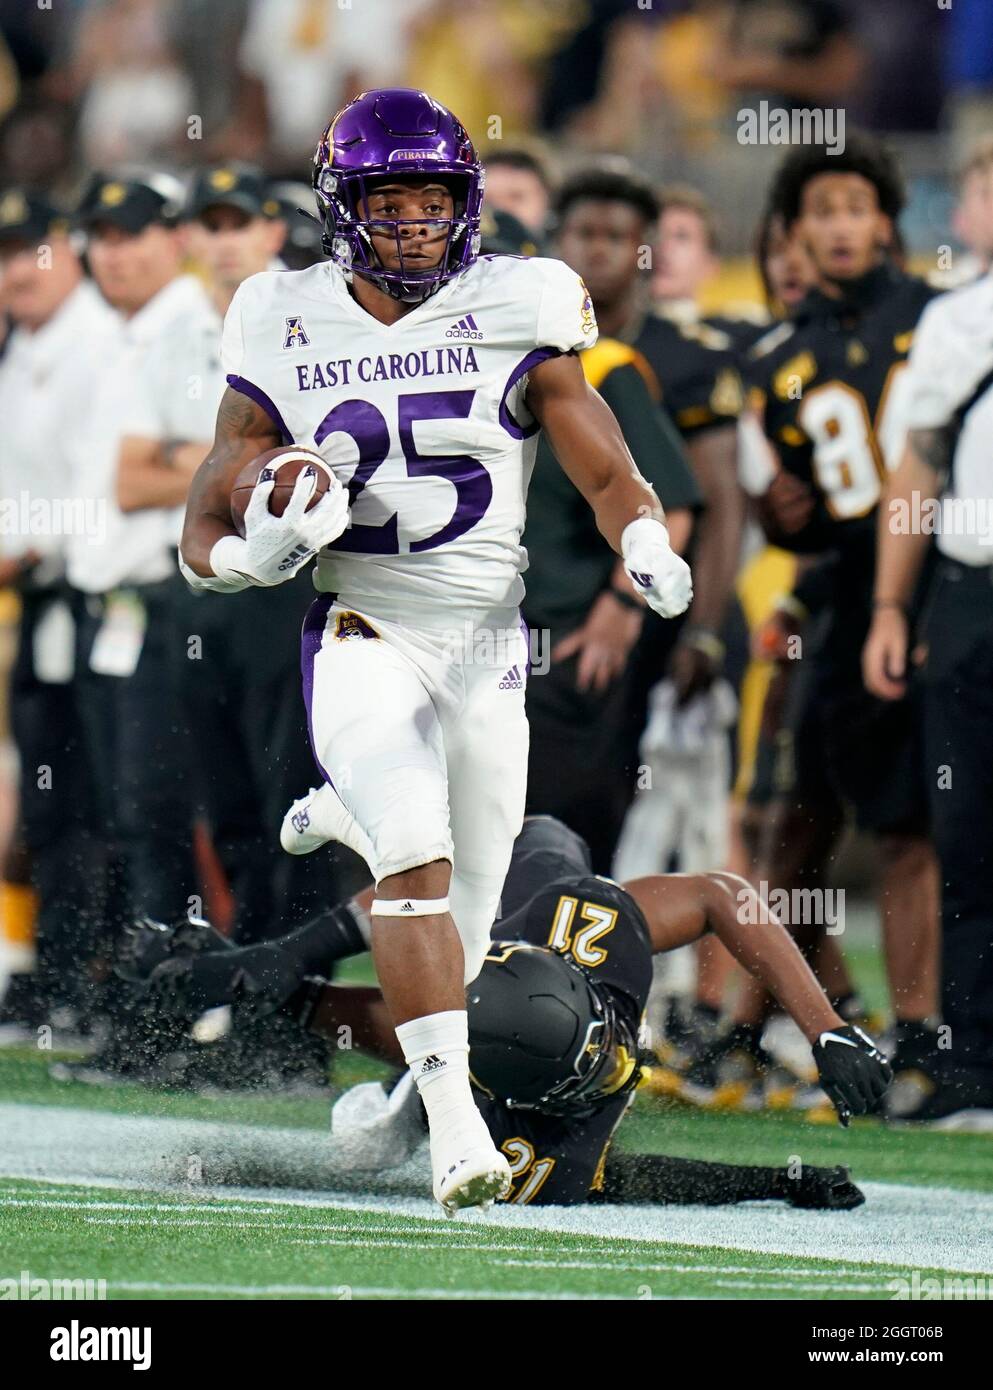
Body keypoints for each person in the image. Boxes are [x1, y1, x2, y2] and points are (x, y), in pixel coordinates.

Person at [179, 88, 693, 1213]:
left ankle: (398, 1104)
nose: (413, 220)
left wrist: (641, 527)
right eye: (389, 199)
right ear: (342, 207)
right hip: (364, 621)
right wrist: (249, 557)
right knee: (416, 858)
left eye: (432, 197)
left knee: (469, 918)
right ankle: (458, 1137)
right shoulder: (279, 311)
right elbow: (201, 515)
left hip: (485, 644)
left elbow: (596, 450)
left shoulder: (525, 296)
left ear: (464, 200)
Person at [120, 812, 890, 1206]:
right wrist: (770, 1181)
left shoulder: (585, 927)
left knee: (526, 844)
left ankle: (263, 963)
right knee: (381, 1121)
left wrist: (828, 1031)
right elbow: (622, 1179)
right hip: (456, 1018)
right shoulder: (501, 1109)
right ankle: (275, 977)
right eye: (594, 1064)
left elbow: (721, 895)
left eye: (601, 1047)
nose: (617, 1062)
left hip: (514, 871)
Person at [702, 136, 943, 1114]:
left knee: (920, 821)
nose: (840, 227)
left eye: (855, 207)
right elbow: (786, 494)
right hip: (845, 591)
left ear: (885, 220)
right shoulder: (781, 356)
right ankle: (790, 1028)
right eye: (820, 211)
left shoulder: (939, 320)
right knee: (818, 814)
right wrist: (778, 514)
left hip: (948, 582)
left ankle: (928, 1029)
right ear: (793, 234)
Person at [65, 174, 211, 1056]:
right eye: (101, 236)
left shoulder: (190, 330)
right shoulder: (117, 335)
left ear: (173, 237)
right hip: (109, 602)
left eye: (132, 234)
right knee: (123, 815)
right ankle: (137, 1004)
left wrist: (151, 464)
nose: (113, 253)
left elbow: (209, 461)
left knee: (156, 815)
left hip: (166, 601)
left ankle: (170, 1011)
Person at [863, 269, 993, 1122]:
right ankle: (973, 1061)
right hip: (971, 591)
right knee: (970, 831)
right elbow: (915, 466)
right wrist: (888, 605)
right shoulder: (959, 319)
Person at [0, 190, 115, 1032]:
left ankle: (96, 971)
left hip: (91, 593)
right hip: (38, 598)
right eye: (4, 255)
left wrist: (31, 546)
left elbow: (101, 483)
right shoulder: (21, 345)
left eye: (29, 251)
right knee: (48, 798)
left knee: (95, 793)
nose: (15, 271)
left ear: (67, 251)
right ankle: (56, 964)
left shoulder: (102, 345)